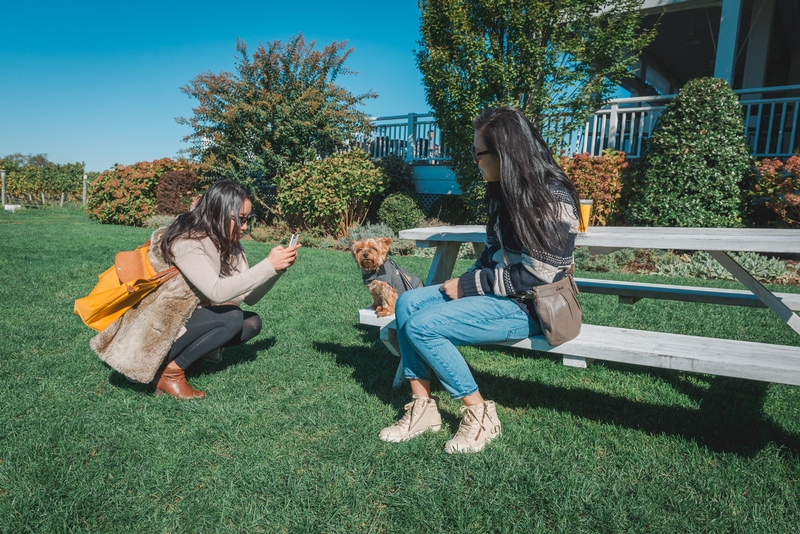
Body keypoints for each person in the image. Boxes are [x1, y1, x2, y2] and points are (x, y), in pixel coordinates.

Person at [379, 107, 580, 453]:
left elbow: (540, 274)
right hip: (500, 297)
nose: (475, 160)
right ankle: (424, 408)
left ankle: (480, 414)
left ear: (505, 152)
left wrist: (470, 286)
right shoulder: (503, 191)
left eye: (478, 152)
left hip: (533, 308)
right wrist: (469, 279)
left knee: (424, 326)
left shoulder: (552, 197)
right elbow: (494, 254)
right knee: (410, 302)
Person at [90, 180, 300, 399]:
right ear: (217, 213)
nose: (245, 227)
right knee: (231, 317)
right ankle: (169, 373)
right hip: (158, 325)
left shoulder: (229, 242)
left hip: (186, 318)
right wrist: (266, 265)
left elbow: (249, 297)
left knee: (251, 322)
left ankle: (184, 358)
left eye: (248, 219)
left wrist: (276, 271)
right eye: (239, 219)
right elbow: (216, 292)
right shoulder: (187, 239)